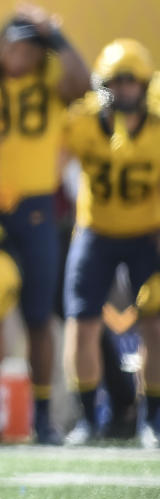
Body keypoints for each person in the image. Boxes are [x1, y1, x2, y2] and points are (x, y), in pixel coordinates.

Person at [0, 7, 89, 444]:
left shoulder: (52, 79)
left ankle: (42, 416)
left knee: (38, 316)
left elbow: (83, 85)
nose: (22, 54)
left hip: (37, 209)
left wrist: (58, 34)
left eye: (32, 47)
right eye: (15, 44)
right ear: (0, 44)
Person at [60, 39, 160, 448]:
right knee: (81, 323)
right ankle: (88, 418)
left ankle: (152, 419)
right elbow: (54, 165)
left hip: (146, 233)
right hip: (95, 230)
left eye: (132, 82)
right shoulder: (82, 122)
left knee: (154, 325)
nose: (125, 90)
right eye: (116, 82)